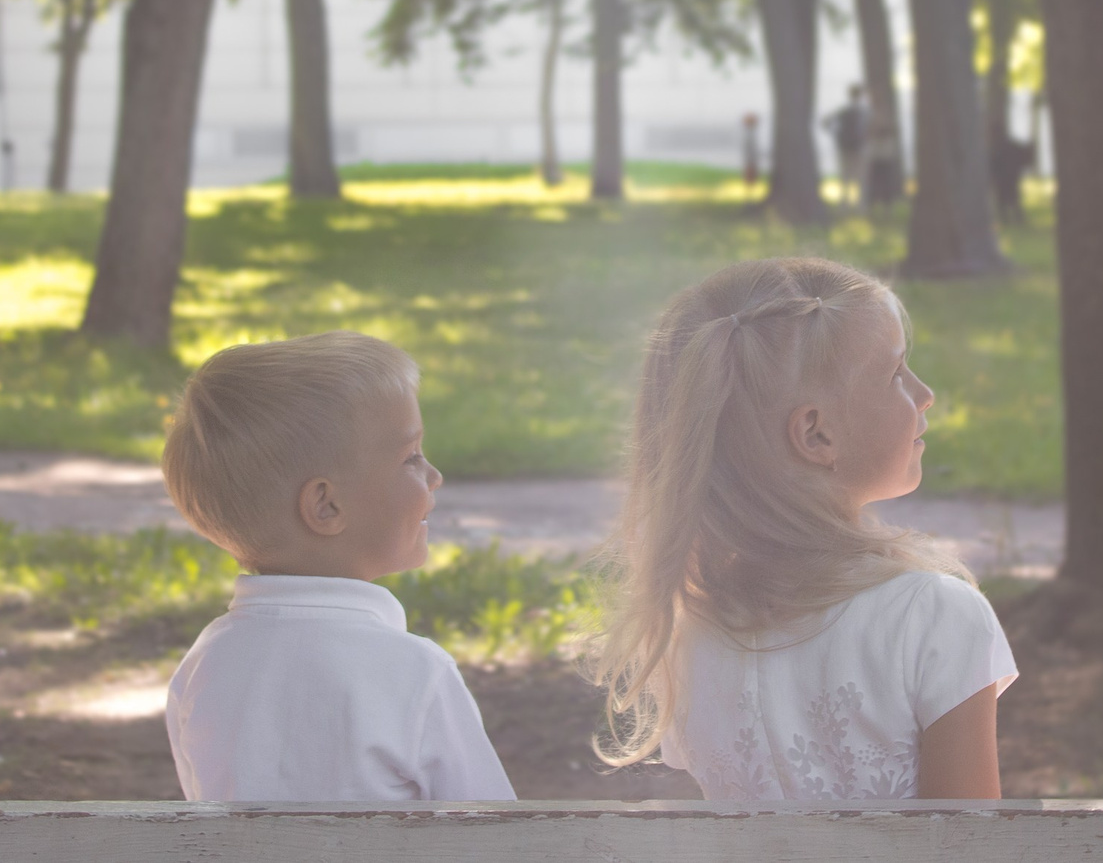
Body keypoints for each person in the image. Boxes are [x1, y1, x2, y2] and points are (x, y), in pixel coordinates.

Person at [592, 258, 1014, 799]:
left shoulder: (686, 632)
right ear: (816, 435)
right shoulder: (934, 614)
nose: (925, 391)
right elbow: (971, 839)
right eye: (895, 374)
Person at [159, 331, 514, 802]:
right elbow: (498, 829)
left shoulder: (206, 665)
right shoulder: (413, 673)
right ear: (326, 505)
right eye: (410, 457)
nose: (434, 476)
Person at [823, 87, 870, 210]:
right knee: (855, 178)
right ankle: (854, 206)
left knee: (849, 177)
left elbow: (826, 122)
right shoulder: (859, 112)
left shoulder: (850, 111)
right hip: (853, 148)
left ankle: (849, 205)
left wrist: (836, 134)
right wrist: (836, 135)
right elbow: (826, 122)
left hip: (852, 148)